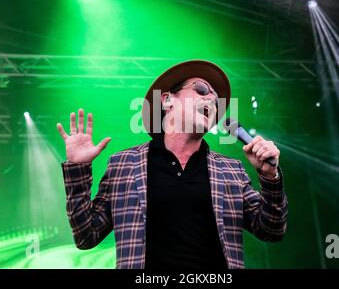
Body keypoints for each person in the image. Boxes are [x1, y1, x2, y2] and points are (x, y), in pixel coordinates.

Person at [57, 60, 288, 269]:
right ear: (167, 100)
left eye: (216, 100)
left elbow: (271, 229)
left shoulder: (230, 170)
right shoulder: (124, 164)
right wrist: (78, 168)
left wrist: (270, 177)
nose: (210, 99)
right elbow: (87, 236)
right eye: (201, 89)